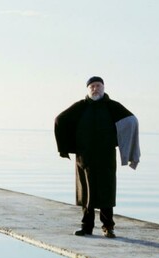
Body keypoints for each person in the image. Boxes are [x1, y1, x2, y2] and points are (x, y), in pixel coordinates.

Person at [54, 76, 140, 238]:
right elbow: (60, 120)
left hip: (106, 156)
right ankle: (86, 227)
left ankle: (108, 227)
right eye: (92, 86)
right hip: (84, 157)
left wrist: (123, 144)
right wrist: (68, 147)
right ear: (88, 89)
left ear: (103, 88)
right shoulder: (81, 106)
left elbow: (131, 120)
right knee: (86, 192)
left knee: (106, 192)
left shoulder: (112, 106)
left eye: (98, 86)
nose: (95, 89)